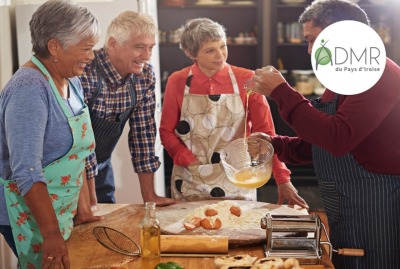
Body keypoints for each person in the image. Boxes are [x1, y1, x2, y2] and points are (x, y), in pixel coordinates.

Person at [252, 0, 400, 268]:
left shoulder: (378, 74)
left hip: (377, 205)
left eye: (313, 41)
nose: (310, 51)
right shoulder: (344, 76)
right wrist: (275, 146)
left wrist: (281, 92)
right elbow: (320, 143)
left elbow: (337, 137)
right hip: (348, 204)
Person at [159, 18, 308, 207]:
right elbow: (166, 131)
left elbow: (267, 134)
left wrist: (282, 178)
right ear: (191, 53)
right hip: (190, 179)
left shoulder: (247, 79)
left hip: (237, 178)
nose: (220, 55)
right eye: (210, 50)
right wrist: (187, 159)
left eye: (222, 46)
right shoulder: (177, 81)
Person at [0, 0, 103, 268]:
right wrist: (51, 234)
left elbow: (77, 154)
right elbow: (26, 170)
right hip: (30, 213)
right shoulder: (28, 89)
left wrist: (83, 208)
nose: (91, 56)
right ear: (55, 47)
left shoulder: (72, 80)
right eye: (86, 48)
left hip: (63, 211)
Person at [80, 11, 175, 206]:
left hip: (102, 169)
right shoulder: (85, 72)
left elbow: (143, 136)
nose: (147, 56)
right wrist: (90, 200)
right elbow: (81, 142)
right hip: (70, 174)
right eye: (139, 47)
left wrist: (150, 197)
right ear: (113, 44)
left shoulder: (145, 76)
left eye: (150, 47)